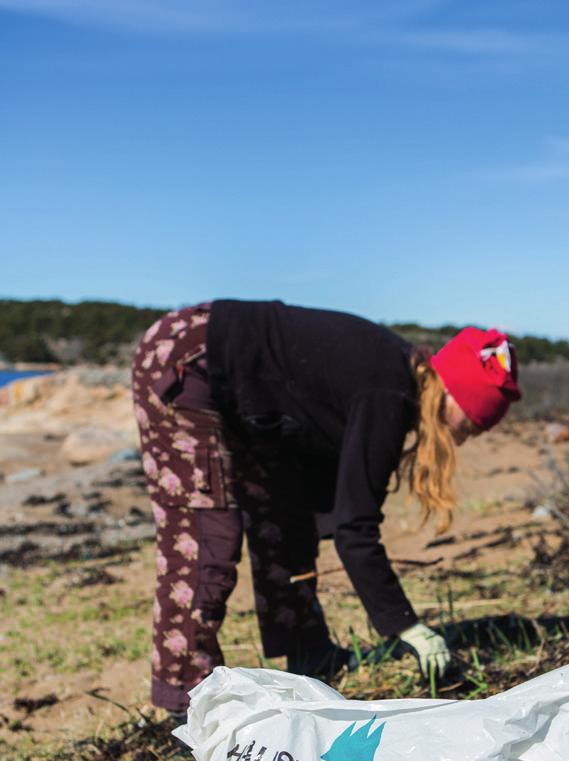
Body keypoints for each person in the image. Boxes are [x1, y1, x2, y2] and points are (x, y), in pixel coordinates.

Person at [132, 300, 522, 714]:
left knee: (286, 515)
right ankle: (186, 699)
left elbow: (333, 498)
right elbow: (356, 528)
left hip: (242, 390)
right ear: (450, 392)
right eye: (470, 424)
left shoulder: (391, 379)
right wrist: (405, 625)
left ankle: (308, 651)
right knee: (206, 536)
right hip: (186, 360)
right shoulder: (388, 393)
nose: (465, 437)